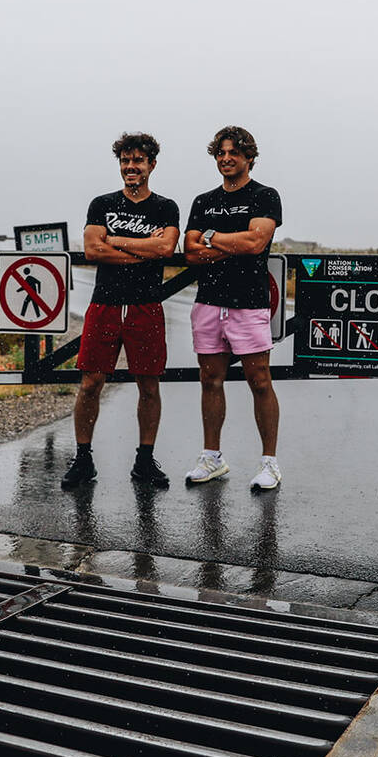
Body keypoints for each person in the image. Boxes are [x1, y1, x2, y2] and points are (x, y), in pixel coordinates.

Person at [60, 133, 179, 490]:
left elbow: (166, 248)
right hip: (105, 303)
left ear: (151, 165)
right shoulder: (101, 204)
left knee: (149, 385)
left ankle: (144, 460)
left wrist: (117, 241)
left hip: (146, 305)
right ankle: (83, 458)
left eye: (138, 161)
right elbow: (93, 250)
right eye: (126, 161)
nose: (131, 167)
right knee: (91, 383)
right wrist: (142, 249)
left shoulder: (166, 207)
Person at [182, 126, 283, 491]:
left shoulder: (265, 196)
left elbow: (257, 242)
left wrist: (211, 237)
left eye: (234, 153)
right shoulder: (202, 201)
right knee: (210, 380)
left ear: (249, 158)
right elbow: (190, 251)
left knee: (259, 381)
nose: (226, 158)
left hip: (249, 304)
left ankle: (269, 464)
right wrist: (229, 243)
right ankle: (213, 458)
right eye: (221, 153)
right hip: (209, 301)